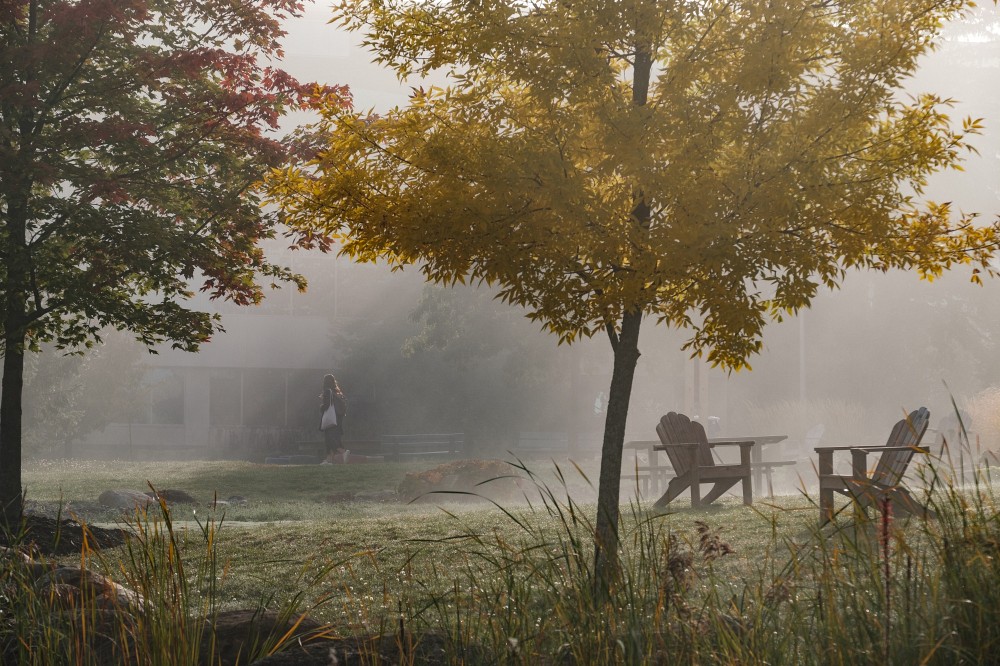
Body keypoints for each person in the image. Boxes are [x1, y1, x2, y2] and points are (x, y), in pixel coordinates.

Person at [319, 374, 347, 464]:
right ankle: (329, 460)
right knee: (334, 438)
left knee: (329, 439)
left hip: (331, 419)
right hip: (337, 419)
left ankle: (342, 452)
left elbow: (327, 405)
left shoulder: (327, 392)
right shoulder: (336, 392)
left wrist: (321, 407)